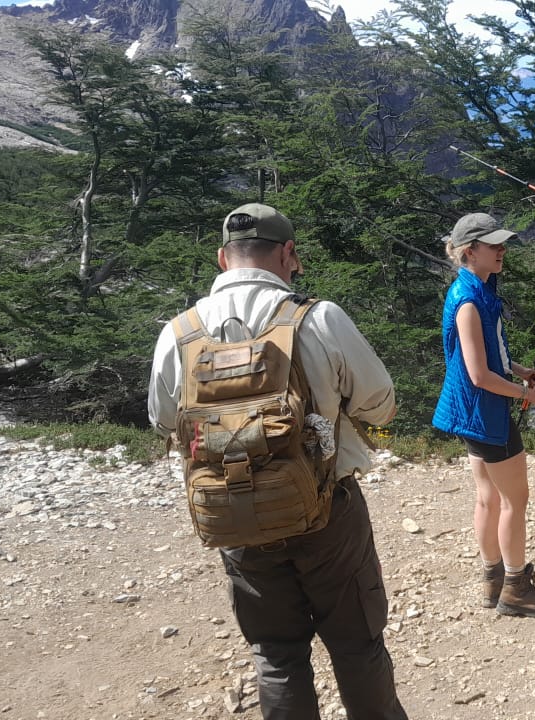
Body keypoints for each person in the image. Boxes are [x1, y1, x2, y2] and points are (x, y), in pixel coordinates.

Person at [147, 203, 408, 720]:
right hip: (328, 510)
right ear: (289, 254)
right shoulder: (320, 317)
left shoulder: (179, 332)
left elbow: (163, 420)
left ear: (223, 258)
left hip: (236, 517)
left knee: (277, 655)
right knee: (357, 645)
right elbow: (381, 404)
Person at [432, 212, 535, 619]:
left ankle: (492, 579)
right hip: (485, 414)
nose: (503, 250)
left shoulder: (477, 288)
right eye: (495, 245)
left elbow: (489, 358)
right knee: (514, 500)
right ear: (471, 251)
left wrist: (520, 371)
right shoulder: (469, 301)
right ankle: (516, 587)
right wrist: (529, 393)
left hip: (470, 413)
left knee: (488, 497)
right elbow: (480, 374)